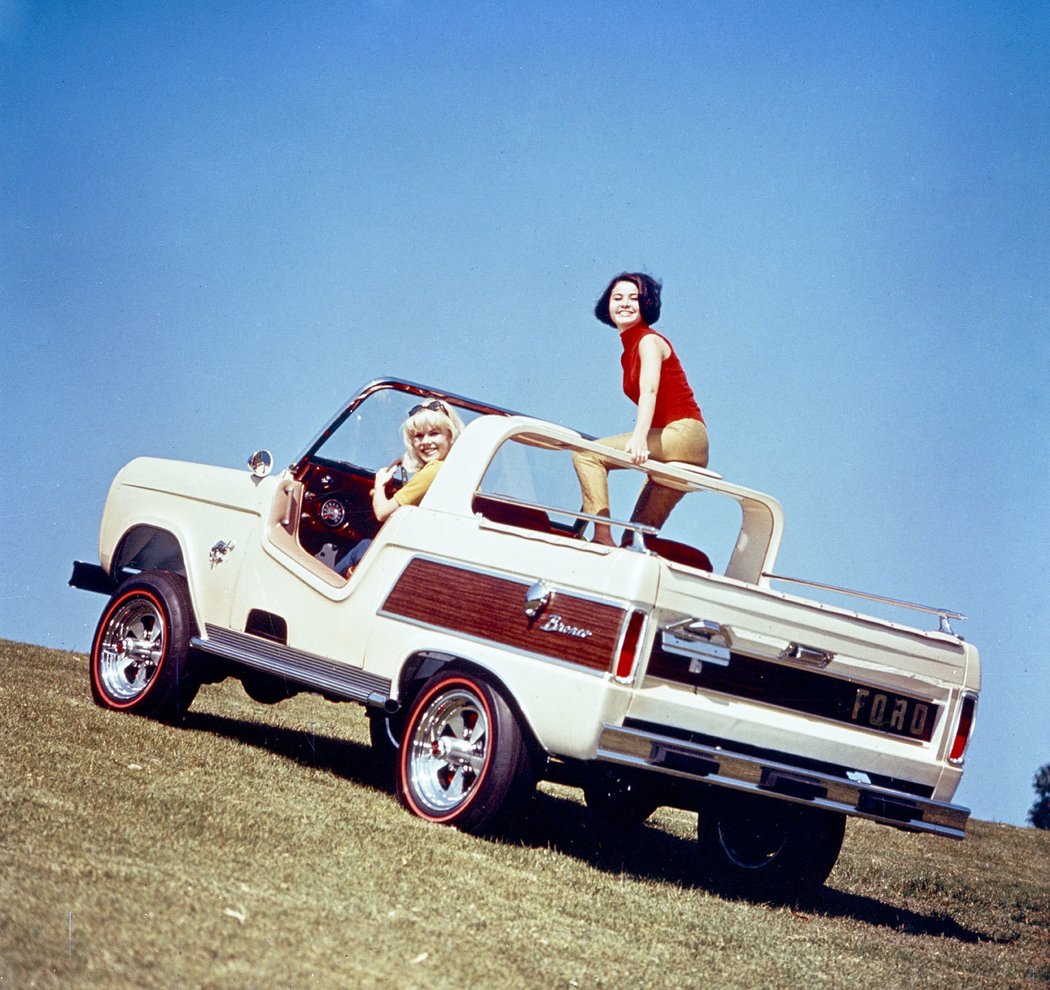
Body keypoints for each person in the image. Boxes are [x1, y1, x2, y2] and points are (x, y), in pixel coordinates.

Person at [572, 272, 709, 546]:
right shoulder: (629, 348)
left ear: (646, 304)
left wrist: (638, 436)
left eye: (633, 298)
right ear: (607, 305)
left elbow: (650, 390)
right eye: (617, 297)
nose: (624, 304)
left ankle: (601, 536)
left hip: (683, 434)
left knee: (587, 455)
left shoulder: (648, 340)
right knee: (634, 542)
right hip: (683, 443)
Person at [334, 398, 464, 575]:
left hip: (414, 558)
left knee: (362, 547)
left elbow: (382, 512)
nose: (425, 442)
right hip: (431, 553)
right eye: (418, 436)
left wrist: (379, 485)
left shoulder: (433, 471)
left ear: (450, 435)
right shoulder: (455, 469)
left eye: (434, 434)